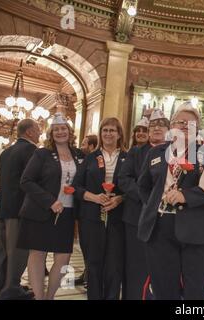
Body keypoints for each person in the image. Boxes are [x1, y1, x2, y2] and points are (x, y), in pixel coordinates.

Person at [137, 103, 204, 300]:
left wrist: (186, 196)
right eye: (180, 122)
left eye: (190, 124)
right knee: (163, 288)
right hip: (159, 228)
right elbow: (143, 186)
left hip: (194, 228)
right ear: (171, 126)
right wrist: (155, 205)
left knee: (195, 290)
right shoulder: (155, 153)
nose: (184, 126)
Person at [17, 114, 84, 300]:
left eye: (64, 128)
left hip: (67, 213)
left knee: (63, 258)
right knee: (38, 254)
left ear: (70, 132)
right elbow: (26, 181)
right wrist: (50, 201)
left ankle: (50, 296)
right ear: (51, 133)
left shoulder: (79, 154)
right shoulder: (42, 154)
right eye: (57, 129)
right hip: (41, 212)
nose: (61, 132)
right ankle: (40, 297)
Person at [73, 117, 127, 300]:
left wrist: (120, 199)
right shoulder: (90, 157)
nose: (108, 134)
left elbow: (137, 188)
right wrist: (94, 197)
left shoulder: (129, 158)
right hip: (91, 218)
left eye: (112, 130)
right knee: (93, 265)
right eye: (105, 130)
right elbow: (76, 188)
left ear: (119, 134)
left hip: (118, 219)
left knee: (114, 265)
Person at [118, 112, 168, 300]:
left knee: (162, 268)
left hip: (166, 222)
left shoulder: (176, 152)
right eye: (153, 125)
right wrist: (148, 197)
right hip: (136, 218)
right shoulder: (136, 152)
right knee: (136, 268)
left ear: (169, 129)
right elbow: (124, 179)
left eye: (162, 124)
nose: (156, 128)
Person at [0, 119, 41, 299]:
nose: (39, 133)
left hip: (2, 208)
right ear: (29, 132)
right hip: (19, 211)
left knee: (1, 252)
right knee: (17, 253)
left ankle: (2, 289)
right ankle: (11, 292)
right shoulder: (32, 151)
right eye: (37, 130)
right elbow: (31, 182)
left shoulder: (5, 152)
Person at [75, 134, 99, 287]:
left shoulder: (95, 162)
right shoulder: (83, 160)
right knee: (84, 244)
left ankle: (90, 275)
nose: (81, 146)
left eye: (84, 144)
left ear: (91, 146)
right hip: (80, 206)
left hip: (93, 208)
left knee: (92, 246)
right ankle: (86, 273)